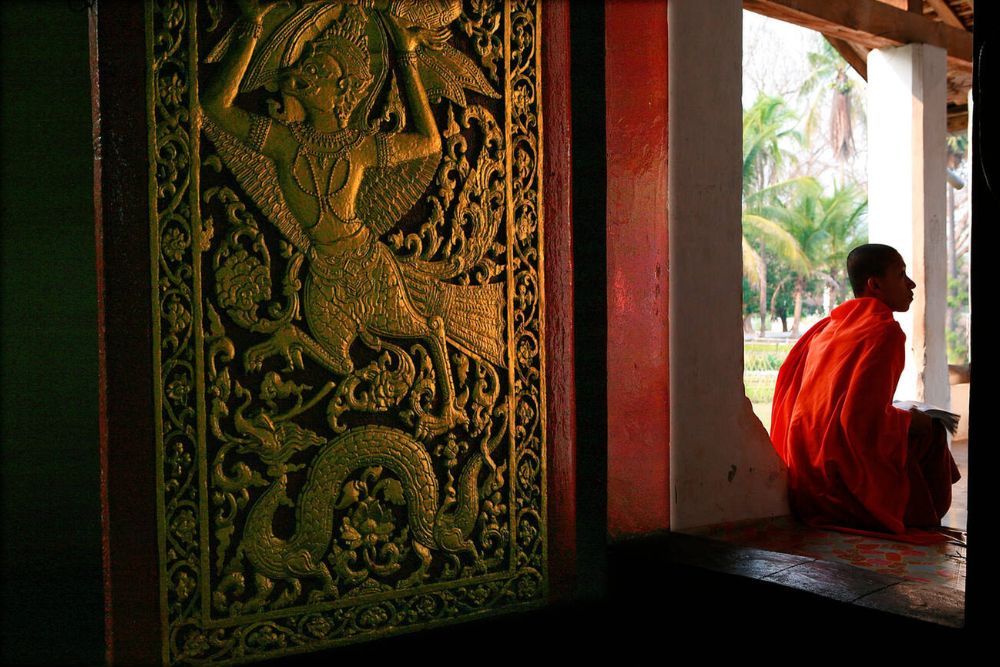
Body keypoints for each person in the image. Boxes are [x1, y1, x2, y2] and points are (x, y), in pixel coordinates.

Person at [770, 243, 960, 542]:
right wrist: (912, 421)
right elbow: (861, 421)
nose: (911, 284)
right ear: (875, 285)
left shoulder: (830, 326)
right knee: (932, 430)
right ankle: (923, 517)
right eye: (901, 274)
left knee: (916, 417)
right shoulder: (883, 330)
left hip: (806, 475)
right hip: (837, 488)